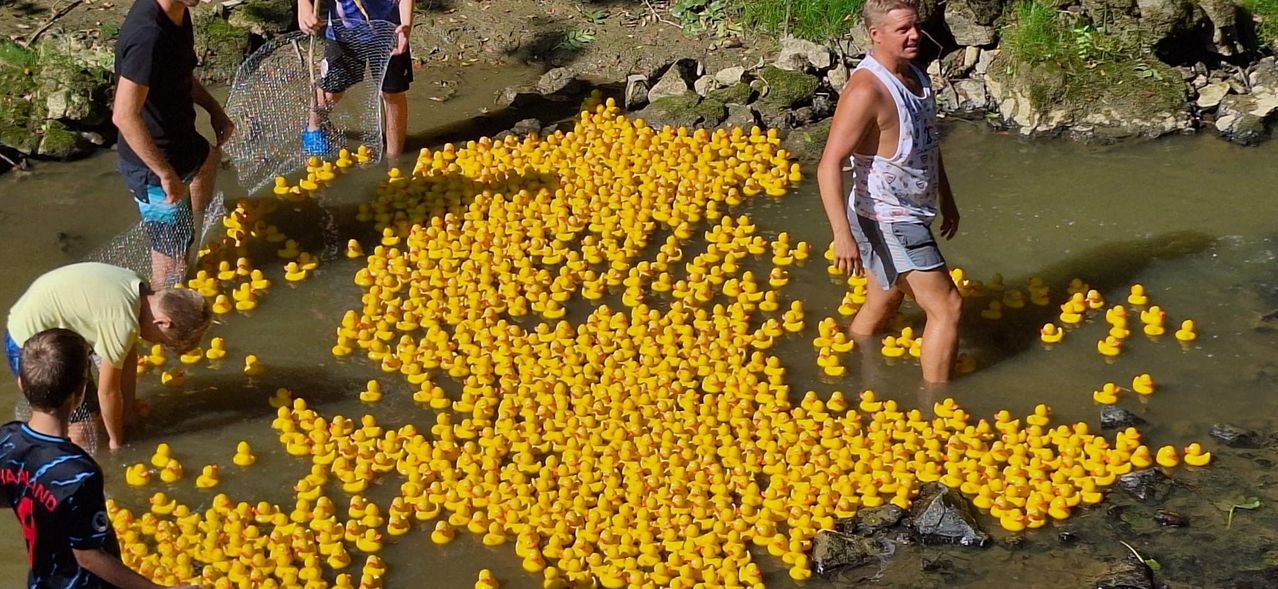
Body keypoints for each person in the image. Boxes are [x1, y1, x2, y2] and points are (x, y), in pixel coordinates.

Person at [817, 0, 963, 384]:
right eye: (903, 30)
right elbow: (828, 164)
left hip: (909, 212)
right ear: (875, 35)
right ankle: (937, 405)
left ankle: (849, 360)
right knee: (947, 308)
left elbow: (927, 145)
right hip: (889, 217)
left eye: (915, 27)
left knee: (885, 296)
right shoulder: (866, 91)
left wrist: (946, 197)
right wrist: (841, 236)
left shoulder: (916, 75)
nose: (915, 35)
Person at [0, 328, 196, 588]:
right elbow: (89, 557)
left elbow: (11, 492)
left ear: (22, 385)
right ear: (80, 392)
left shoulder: (8, 439)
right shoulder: (79, 473)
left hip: (40, 580)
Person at [5, 262, 212, 451]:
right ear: (163, 323)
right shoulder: (122, 323)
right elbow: (108, 393)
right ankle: (68, 468)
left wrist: (128, 409)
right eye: (162, 341)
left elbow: (128, 354)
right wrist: (116, 444)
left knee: (87, 410)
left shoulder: (138, 288)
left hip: (49, 325)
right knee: (80, 425)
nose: (156, 344)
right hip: (35, 347)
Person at [113, 0, 235, 289]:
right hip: (153, 164)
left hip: (182, 140)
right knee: (172, 266)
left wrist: (214, 108)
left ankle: (191, 229)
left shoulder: (177, 15)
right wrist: (165, 174)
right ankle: (161, 313)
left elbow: (178, 70)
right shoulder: (147, 36)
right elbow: (124, 115)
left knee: (207, 160)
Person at [297, 0, 415, 160]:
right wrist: (304, 7)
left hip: (389, 31)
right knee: (330, 92)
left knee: (392, 93)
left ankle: (394, 156)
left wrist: (406, 25)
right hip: (344, 32)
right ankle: (314, 127)